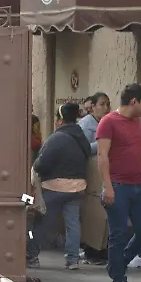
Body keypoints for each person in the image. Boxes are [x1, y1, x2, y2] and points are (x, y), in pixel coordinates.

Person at [97, 83, 141, 282]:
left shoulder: (137, 123)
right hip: (118, 187)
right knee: (119, 233)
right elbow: (102, 156)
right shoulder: (108, 122)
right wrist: (107, 186)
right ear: (134, 101)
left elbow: (140, 151)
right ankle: (119, 281)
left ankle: (118, 263)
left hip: (138, 186)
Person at [30, 101, 91, 270]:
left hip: (54, 188)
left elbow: (41, 164)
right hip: (78, 188)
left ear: (60, 120)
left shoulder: (56, 139)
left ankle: (31, 255)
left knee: (43, 223)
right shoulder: (82, 138)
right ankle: (72, 259)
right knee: (73, 224)